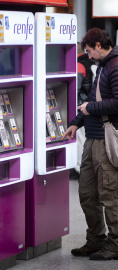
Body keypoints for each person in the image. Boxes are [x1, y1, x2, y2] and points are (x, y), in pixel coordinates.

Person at [63, 28, 118, 260]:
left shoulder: (115, 66)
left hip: (106, 140)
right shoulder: (103, 66)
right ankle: (96, 239)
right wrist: (77, 122)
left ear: (98, 45)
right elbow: (94, 99)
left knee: (109, 194)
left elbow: (115, 103)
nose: (87, 55)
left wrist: (89, 109)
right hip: (92, 139)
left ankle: (115, 245)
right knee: (86, 193)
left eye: (88, 50)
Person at [70, 43, 97, 180]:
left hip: (80, 106)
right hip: (91, 105)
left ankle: (79, 169)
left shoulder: (79, 64)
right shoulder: (92, 62)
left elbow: (75, 88)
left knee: (80, 139)